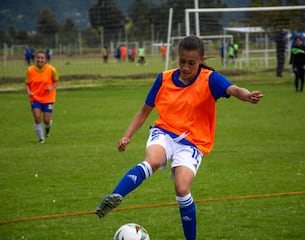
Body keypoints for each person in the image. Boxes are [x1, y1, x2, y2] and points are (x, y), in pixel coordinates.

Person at [95, 35, 263, 240]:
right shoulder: (164, 78)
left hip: (193, 142)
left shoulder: (210, 79)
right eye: (182, 61)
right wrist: (126, 136)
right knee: (153, 161)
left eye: (191, 63)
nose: (185, 67)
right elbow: (145, 110)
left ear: (201, 60)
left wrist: (246, 96)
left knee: (182, 189)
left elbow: (233, 89)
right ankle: (116, 195)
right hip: (164, 132)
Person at [25, 51, 59, 143]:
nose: (40, 59)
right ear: (35, 59)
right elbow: (27, 84)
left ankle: (47, 127)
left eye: (42, 58)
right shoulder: (30, 70)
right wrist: (29, 92)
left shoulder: (51, 69)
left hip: (48, 98)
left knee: (46, 120)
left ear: (45, 60)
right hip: (35, 97)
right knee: (37, 117)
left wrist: (51, 88)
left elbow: (57, 82)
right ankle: (41, 138)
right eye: (38, 57)